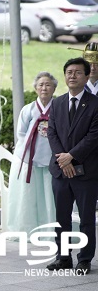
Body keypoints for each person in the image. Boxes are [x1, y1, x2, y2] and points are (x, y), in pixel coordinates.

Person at [46, 57, 98, 274]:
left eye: (78, 72)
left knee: (86, 218)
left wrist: (71, 157)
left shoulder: (95, 104)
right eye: (69, 72)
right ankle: (63, 256)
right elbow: (52, 132)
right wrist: (63, 159)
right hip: (61, 171)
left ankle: (84, 259)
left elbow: (94, 136)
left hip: (86, 171)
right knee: (62, 217)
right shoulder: (57, 102)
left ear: (87, 76)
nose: (72, 76)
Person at [5, 72, 57, 236]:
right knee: (28, 198)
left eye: (48, 84)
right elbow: (21, 134)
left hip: (52, 158)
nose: (44, 88)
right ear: (35, 88)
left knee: (51, 197)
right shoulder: (27, 110)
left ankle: (52, 231)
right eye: (41, 84)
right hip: (30, 159)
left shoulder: (59, 107)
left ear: (54, 88)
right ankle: (27, 230)